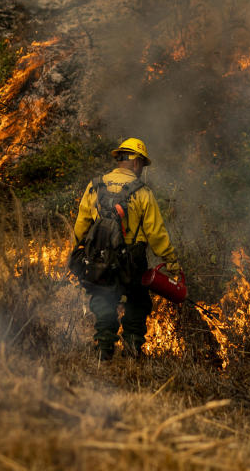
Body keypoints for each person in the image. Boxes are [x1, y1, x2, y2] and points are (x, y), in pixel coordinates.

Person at [72, 137, 181, 361]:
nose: (142, 169)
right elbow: (156, 232)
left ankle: (104, 348)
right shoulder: (142, 192)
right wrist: (171, 260)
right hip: (132, 260)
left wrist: (80, 250)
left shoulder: (95, 185)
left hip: (99, 257)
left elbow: (82, 224)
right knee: (138, 301)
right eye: (142, 164)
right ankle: (132, 350)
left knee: (103, 297)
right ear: (136, 162)